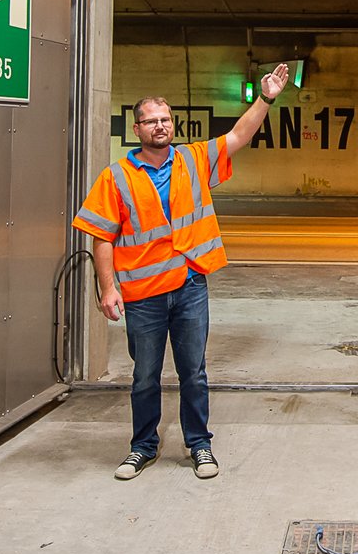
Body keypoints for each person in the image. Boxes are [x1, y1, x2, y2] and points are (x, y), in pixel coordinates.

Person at [72, 62, 291, 481]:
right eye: (151, 121)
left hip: (190, 287)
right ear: (135, 129)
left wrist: (265, 98)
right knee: (144, 377)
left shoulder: (193, 159)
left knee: (194, 371)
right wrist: (107, 288)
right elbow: (101, 236)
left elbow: (239, 135)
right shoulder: (116, 176)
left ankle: (199, 445)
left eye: (165, 119)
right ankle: (142, 448)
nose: (160, 126)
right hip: (143, 295)